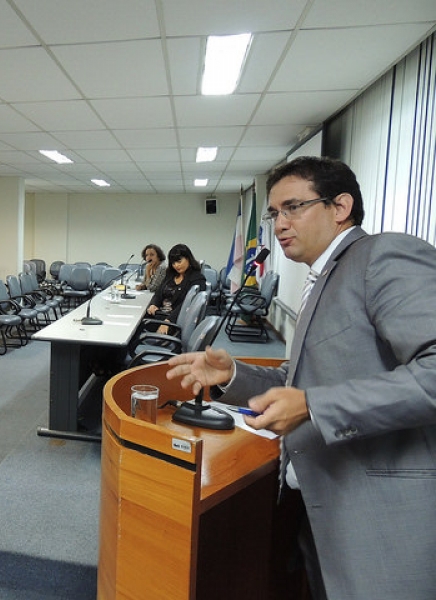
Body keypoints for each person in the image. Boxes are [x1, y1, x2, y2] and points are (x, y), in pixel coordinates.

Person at [165, 156, 436, 599]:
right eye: (274, 213)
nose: (279, 224)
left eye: (293, 207)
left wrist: (314, 406)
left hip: (378, 513)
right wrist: (233, 373)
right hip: (318, 501)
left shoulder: (382, 257)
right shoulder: (325, 274)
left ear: (340, 206)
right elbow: (304, 374)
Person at [145, 243, 206, 329]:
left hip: (175, 321)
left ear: (188, 259)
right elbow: (158, 293)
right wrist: (154, 304)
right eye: (173, 263)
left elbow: (187, 305)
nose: (176, 265)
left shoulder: (197, 279)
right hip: (160, 315)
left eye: (179, 261)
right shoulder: (171, 275)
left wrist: (169, 321)